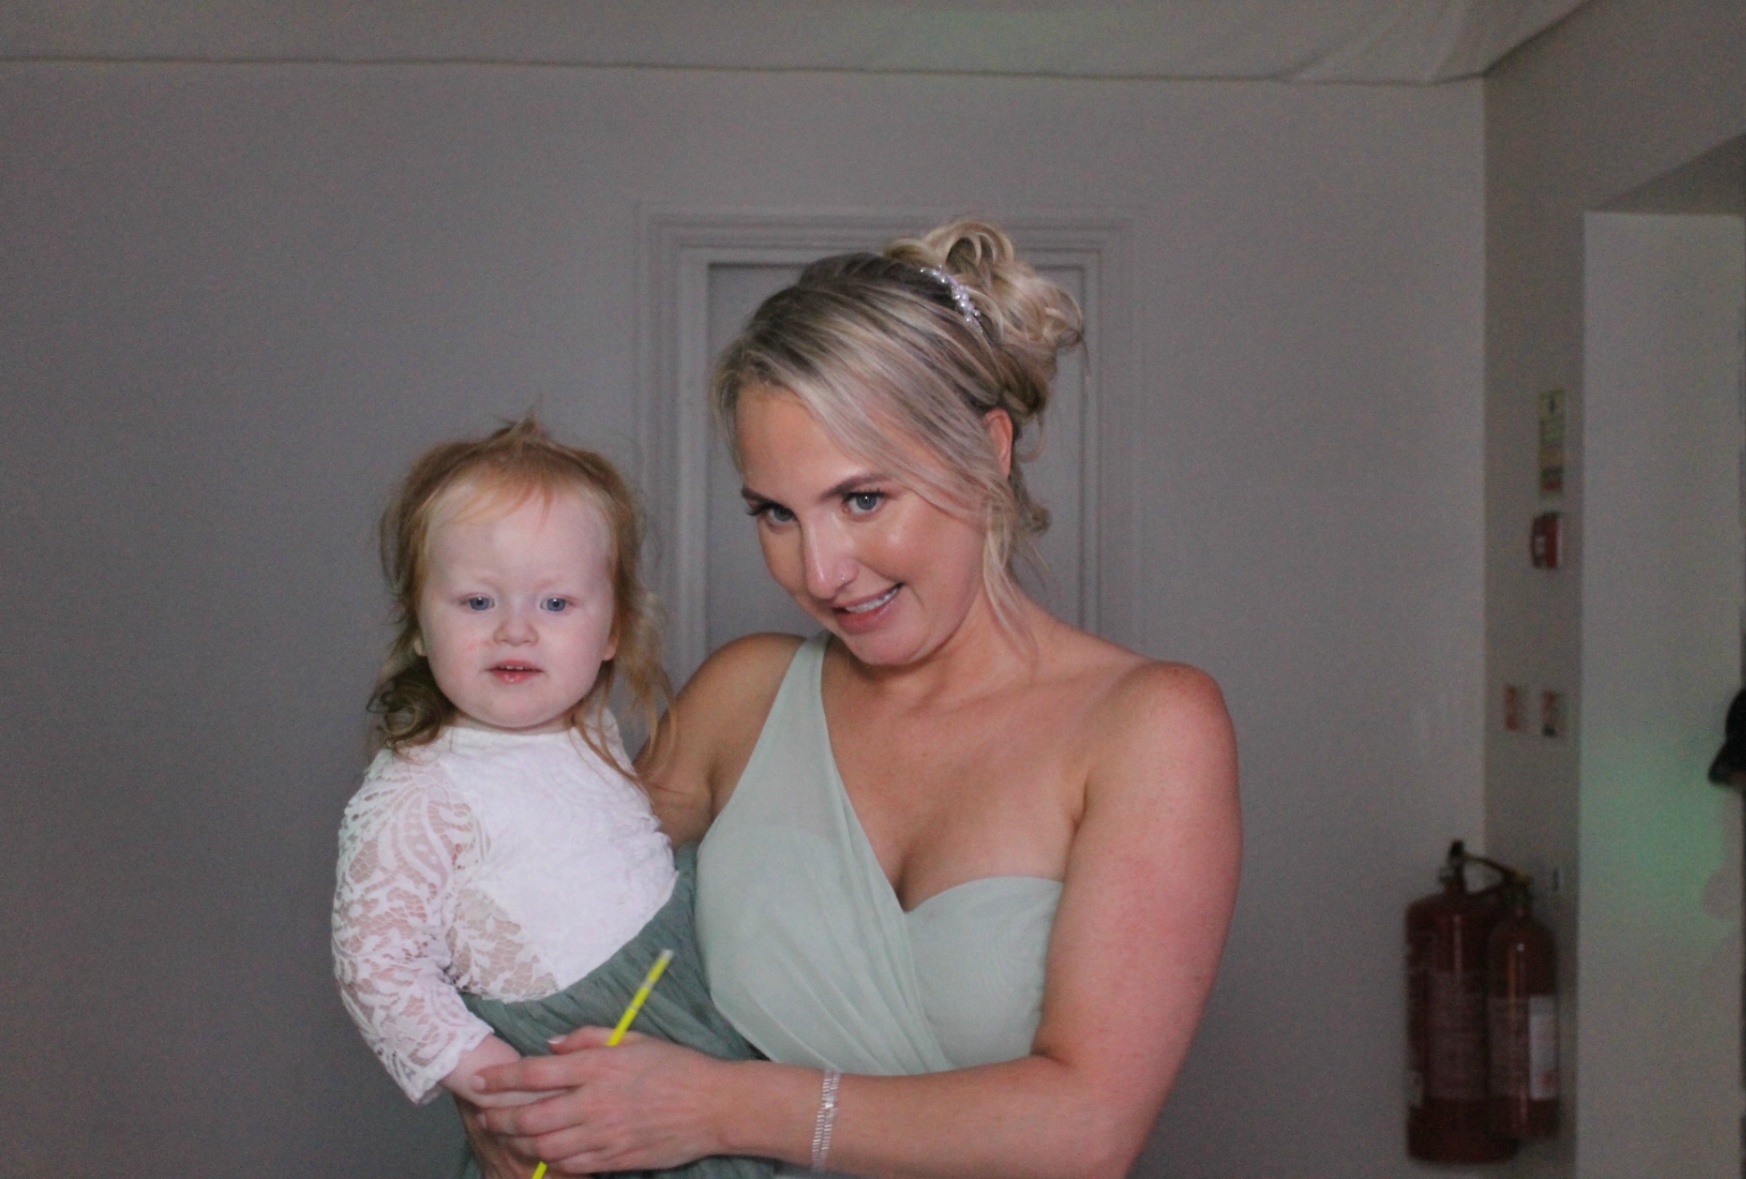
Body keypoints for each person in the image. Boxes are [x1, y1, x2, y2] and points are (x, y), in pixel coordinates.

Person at [464, 221, 1241, 1179]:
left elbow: (1088, 1129)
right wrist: (497, 1106)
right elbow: (532, 928)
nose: (821, 571)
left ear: (987, 450)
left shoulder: (1150, 726)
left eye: (863, 499)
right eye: (775, 514)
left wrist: (716, 1107)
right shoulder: (743, 699)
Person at [330, 420, 770, 1179]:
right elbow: (378, 966)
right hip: (572, 1065)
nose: (515, 630)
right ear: (420, 626)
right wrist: (501, 1086)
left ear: (613, 630)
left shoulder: (590, 732)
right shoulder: (419, 788)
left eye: (557, 604)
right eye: (476, 601)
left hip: (687, 1015)